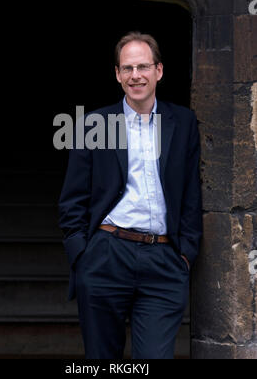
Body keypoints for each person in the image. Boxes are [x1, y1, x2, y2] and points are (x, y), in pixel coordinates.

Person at [58, 31, 202, 359]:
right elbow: (72, 199)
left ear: (159, 71)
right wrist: (82, 255)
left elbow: (192, 193)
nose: (135, 75)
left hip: (164, 259)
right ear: (118, 75)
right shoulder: (94, 124)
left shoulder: (182, 122)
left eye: (142, 66)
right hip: (106, 256)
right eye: (127, 68)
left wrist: (186, 254)